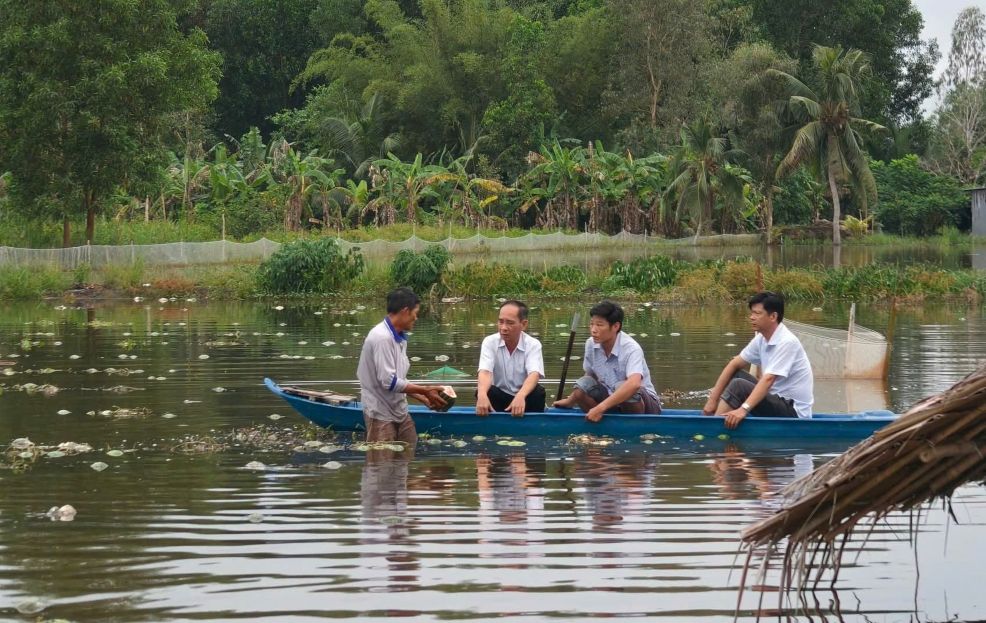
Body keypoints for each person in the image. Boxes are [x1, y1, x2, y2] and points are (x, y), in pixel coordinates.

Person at [702, 291, 814, 429]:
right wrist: (712, 400)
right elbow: (734, 364)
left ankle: (714, 431)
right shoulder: (762, 339)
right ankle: (717, 418)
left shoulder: (787, 342)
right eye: (752, 313)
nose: (752, 317)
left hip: (793, 413)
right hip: (775, 400)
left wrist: (743, 409)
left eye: (757, 313)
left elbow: (768, 379)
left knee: (738, 386)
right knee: (736, 374)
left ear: (773, 316)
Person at [356, 287, 447, 445]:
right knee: (380, 465)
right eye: (415, 313)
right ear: (405, 311)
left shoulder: (399, 338)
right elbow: (389, 382)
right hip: (380, 412)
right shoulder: (381, 338)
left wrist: (423, 398)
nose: (416, 318)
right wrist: (426, 390)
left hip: (399, 410)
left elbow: (400, 380)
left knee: (407, 454)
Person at [552, 300, 661, 422]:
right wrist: (571, 399)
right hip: (611, 399)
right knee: (582, 385)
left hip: (645, 407)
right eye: (591, 324)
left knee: (622, 386)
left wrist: (600, 408)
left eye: (599, 325)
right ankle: (599, 425)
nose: (593, 330)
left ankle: (632, 426)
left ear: (615, 326)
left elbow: (634, 384)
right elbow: (590, 376)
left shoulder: (631, 348)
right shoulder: (590, 344)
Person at [476, 300, 546, 417]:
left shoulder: (533, 344)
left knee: (538, 392)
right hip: (500, 397)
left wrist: (521, 396)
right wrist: (482, 395)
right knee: (484, 391)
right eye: (500, 322)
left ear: (523, 324)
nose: (503, 328)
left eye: (510, 323)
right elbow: (485, 372)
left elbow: (534, 374)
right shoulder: (489, 342)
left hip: (524, 398)